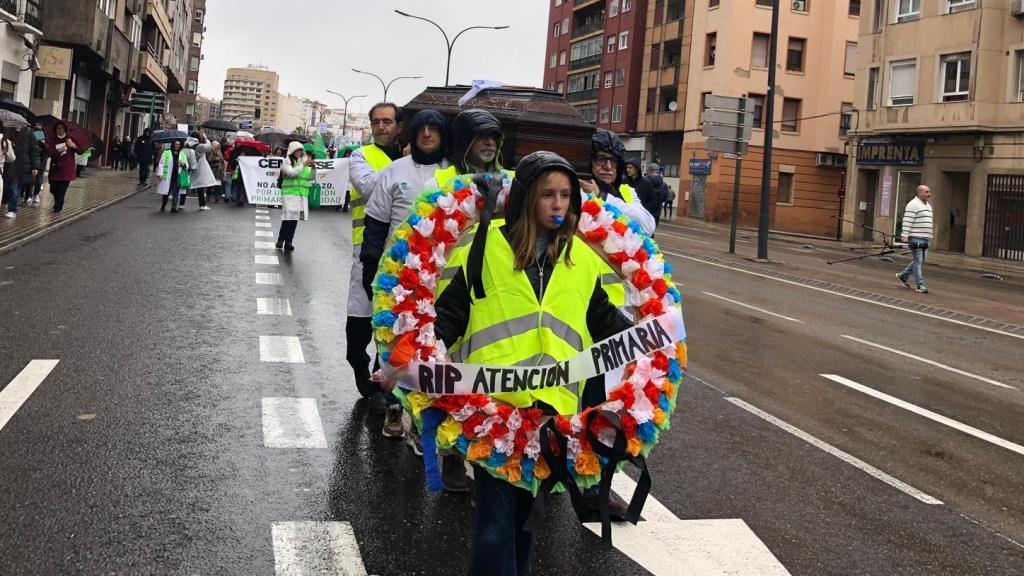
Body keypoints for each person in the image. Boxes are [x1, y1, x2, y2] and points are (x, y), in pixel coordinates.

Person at [430, 151, 632, 576]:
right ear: (525, 198)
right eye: (547, 195)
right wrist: (405, 361)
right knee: (494, 525)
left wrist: (657, 342)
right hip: (494, 413)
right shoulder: (485, 250)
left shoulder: (579, 261)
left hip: (550, 415)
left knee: (526, 523)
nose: (559, 204)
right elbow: (448, 317)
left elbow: (604, 319)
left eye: (565, 195)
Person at [360, 109, 449, 443]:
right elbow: (376, 223)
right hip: (397, 279)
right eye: (421, 129)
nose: (427, 134)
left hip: (442, 278)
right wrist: (372, 270)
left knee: (433, 349)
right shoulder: (394, 171)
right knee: (393, 344)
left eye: (434, 128)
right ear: (411, 134)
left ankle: (425, 422)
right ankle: (394, 409)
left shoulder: (454, 174)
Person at [344, 102, 404, 416]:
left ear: (399, 126)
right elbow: (367, 187)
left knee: (395, 323)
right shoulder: (361, 155)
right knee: (360, 321)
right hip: (366, 252)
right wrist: (404, 167)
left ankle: (387, 379)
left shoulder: (413, 159)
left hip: (406, 255)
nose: (382, 127)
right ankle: (359, 366)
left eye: (388, 121)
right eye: (376, 122)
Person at [276, 141, 315, 251]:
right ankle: (281, 239)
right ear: (292, 150)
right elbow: (291, 173)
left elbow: (311, 178)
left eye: (301, 150)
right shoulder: (286, 162)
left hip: (300, 195)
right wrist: (303, 165)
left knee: (294, 219)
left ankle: (289, 241)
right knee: (287, 218)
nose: (299, 152)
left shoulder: (303, 162)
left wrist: (313, 167)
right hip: (289, 194)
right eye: (297, 150)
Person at [898, 184, 933, 294]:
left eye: (929, 192)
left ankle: (903, 275)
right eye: (926, 192)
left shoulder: (928, 205)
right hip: (916, 237)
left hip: (925, 238)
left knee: (921, 261)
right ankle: (920, 285)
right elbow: (907, 220)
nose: (929, 194)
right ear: (919, 193)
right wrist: (905, 234)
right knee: (918, 262)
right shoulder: (913, 204)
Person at [3, 124, 41, 219]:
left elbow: (34, 150)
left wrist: (35, 166)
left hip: (21, 165)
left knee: (15, 188)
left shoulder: (29, 132)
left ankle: (12, 210)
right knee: (6, 187)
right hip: (8, 163)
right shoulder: (8, 130)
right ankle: (9, 202)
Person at [47, 122, 78, 214]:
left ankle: (58, 206)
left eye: (61, 128)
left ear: (64, 129)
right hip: (55, 168)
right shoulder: (53, 140)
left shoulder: (70, 139)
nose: (59, 130)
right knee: (53, 189)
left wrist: (72, 146)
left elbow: (80, 150)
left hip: (67, 169)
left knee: (62, 190)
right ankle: (59, 201)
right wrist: (60, 150)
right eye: (57, 128)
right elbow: (50, 152)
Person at [185, 132, 217, 211]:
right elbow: (209, 147)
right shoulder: (199, 146)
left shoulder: (187, 145)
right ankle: (202, 205)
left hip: (189, 167)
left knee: (185, 185)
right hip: (199, 168)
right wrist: (206, 138)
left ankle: (180, 204)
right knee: (201, 187)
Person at [157, 139, 190, 213]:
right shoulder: (166, 153)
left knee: (175, 193)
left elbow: (187, 165)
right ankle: (163, 205)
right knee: (166, 193)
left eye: (178, 144)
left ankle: (174, 207)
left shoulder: (182, 154)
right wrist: (160, 174)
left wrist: (183, 164)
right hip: (168, 176)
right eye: (176, 144)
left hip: (177, 176)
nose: (177, 146)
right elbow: (161, 163)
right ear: (173, 145)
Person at [643, 162, 669, 229]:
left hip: (644, 211)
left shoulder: (643, 181)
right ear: (657, 171)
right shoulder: (664, 185)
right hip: (656, 213)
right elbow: (665, 199)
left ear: (648, 170)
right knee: (651, 233)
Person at [29, 124, 48, 205]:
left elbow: (48, 151)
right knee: (31, 180)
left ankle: (36, 195)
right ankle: (29, 195)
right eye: (36, 125)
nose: (38, 126)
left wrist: (43, 143)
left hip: (41, 163)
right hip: (32, 162)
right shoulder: (32, 133)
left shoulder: (45, 137)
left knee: (39, 181)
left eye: (40, 125)